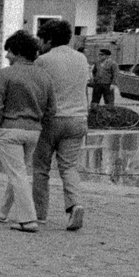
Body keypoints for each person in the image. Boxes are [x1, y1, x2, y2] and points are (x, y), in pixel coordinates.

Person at [0, 30, 55, 234]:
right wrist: (41, 126)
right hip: (34, 131)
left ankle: (28, 220)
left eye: (8, 51)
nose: (6, 56)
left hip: (9, 129)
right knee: (18, 172)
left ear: (17, 52)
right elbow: (51, 109)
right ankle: (3, 210)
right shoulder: (44, 75)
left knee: (17, 174)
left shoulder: (6, 74)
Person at [33, 18, 90, 231]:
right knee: (68, 167)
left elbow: (38, 93)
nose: (39, 44)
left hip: (51, 120)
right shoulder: (82, 59)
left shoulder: (43, 61)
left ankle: (39, 215)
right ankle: (75, 205)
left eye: (41, 40)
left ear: (49, 40)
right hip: (78, 119)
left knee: (41, 168)